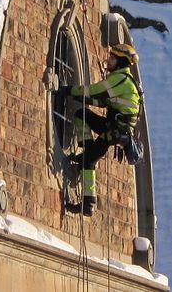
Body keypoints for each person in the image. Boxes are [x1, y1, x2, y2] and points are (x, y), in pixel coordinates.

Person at [59, 43, 141, 216]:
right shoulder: (120, 79)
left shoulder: (120, 80)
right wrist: (77, 95)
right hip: (114, 128)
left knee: (88, 160)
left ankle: (88, 203)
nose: (108, 60)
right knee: (82, 114)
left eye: (112, 58)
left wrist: (67, 90)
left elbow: (93, 92)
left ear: (120, 62)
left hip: (117, 131)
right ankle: (87, 150)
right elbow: (101, 101)